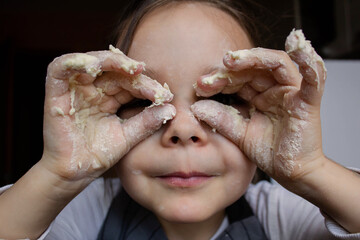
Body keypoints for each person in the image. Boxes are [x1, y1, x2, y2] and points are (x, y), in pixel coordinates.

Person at [1, 0, 360, 239]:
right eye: (145, 99)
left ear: (265, 112)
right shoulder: (82, 211)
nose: (184, 130)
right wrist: (57, 175)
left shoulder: (282, 217)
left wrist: (308, 169)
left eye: (223, 98)